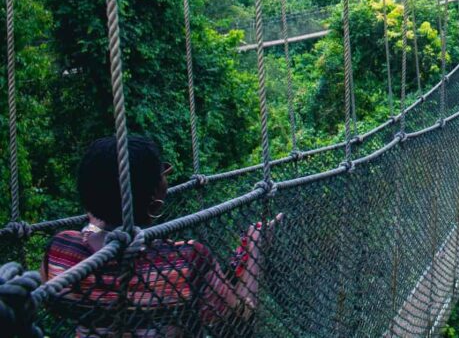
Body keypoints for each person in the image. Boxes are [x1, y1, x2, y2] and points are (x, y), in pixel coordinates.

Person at [42, 136, 281, 336]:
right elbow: (238, 324)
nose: (167, 175)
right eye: (162, 172)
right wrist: (256, 248)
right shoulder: (185, 261)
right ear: (154, 203)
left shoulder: (62, 251)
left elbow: (55, 305)